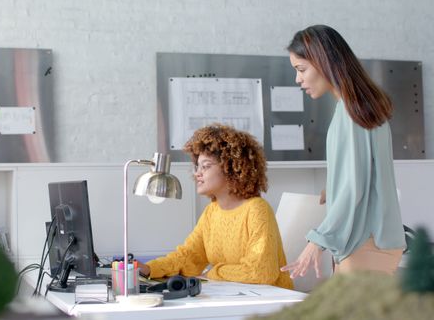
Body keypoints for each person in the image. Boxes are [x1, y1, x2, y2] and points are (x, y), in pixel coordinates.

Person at [280, 25, 406, 279]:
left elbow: (353, 187)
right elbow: (363, 173)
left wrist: (318, 240)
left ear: (324, 62)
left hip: (365, 244)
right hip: (371, 242)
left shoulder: (350, 112)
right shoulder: (361, 106)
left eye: (301, 69)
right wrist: (334, 186)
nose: (298, 79)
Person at [138, 124, 293, 289]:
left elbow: (261, 272)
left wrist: (213, 273)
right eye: (197, 166)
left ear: (232, 168)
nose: (198, 173)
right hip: (237, 297)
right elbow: (189, 256)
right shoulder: (212, 212)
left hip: (274, 302)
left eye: (205, 166)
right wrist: (149, 269)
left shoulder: (257, 209)